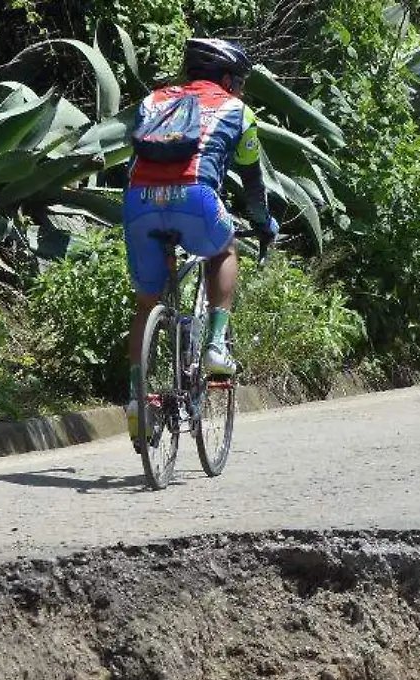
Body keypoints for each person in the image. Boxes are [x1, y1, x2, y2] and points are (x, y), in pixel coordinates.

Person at [122, 37, 277, 408]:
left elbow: (135, 158)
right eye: (239, 80)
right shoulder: (237, 110)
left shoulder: (152, 100)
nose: (240, 87)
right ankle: (216, 345)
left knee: (146, 304)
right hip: (196, 198)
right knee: (224, 248)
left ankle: (134, 400)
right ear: (226, 78)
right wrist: (264, 224)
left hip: (138, 202)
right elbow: (253, 182)